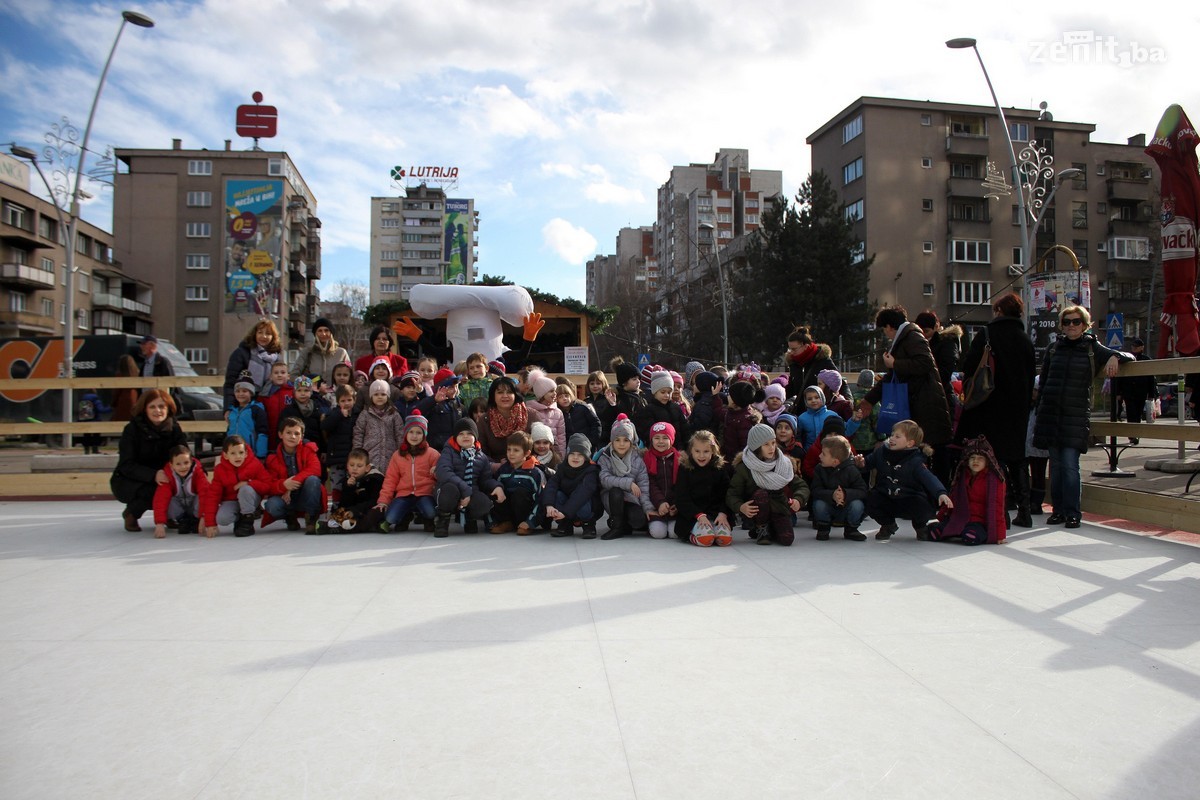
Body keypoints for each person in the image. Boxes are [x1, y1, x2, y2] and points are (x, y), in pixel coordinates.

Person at [1032, 305, 1131, 528]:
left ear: (1085, 325)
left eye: (1076, 321)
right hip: (1051, 414)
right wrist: (1040, 409)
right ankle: (1058, 511)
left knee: (1069, 465)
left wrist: (1115, 356)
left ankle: (1072, 512)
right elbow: (1045, 380)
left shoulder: (1091, 347)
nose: (1071, 326)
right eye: (1067, 322)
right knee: (1055, 466)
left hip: (1075, 416)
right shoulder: (1053, 348)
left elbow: (1128, 355)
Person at [954, 292, 1037, 527]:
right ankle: (1025, 511)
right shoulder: (1025, 339)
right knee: (1018, 458)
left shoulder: (988, 334)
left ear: (999, 311)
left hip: (989, 405)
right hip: (1018, 407)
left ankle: (1002, 513)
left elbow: (969, 365)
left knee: (993, 458)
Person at [858, 306, 953, 484]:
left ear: (889, 326)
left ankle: (937, 497)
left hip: (926, 406)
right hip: (919, 404)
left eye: (884, 329)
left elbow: (925, 363)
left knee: (930, 454)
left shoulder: (912, 337)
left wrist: (896, 363)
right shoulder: (906, 338)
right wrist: (870, 399)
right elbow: (892, 377)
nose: (886, 334)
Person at [860, 419, 952, 541]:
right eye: (892, 435)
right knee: (870, 498)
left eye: (897, 436)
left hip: (909, 499)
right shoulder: (881, 452)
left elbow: (929, 478)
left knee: (922, 504)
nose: (892, 438)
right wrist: (860, 463)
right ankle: (888, 525)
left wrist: (941, 493)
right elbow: (867, 464)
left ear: (910, 443)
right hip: (886, 496)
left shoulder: (916, 461)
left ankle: (920, 526)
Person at [110, 389, 188, 532]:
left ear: (168, 408)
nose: (157, 411)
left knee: (184, 486)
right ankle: (132, 513)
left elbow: (184, 454)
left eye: (161, 407)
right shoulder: (132, 430)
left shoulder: (174, 428)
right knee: (156, 490)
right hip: (132, 479)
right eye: (152, 407)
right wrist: (153, 475)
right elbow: (126, 465)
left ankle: (172, 515)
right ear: (144, 409)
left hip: (167, 475)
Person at [726, 423, 809, 546]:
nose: (771, 448)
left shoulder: (783, 463)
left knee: (787, 539)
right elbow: (732, 494)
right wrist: (741, 507)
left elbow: (801, 486)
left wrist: (798, 499)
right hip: (756, 510)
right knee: (762, 494)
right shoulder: (745, 467)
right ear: (756, 447)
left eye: (773, 443)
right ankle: (761, 528)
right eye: (766, 444)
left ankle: (771, 528)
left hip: (779, 506)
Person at [930, 435, 1007, 545]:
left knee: (971, 536)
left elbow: (998, 506)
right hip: (959, 518)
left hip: (979, 521)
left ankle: (964, 533)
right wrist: (940, 517)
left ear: (987, 461)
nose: (976, 461)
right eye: (972, 458)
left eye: (980, 458)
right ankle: (955, 531)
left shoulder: (995, 480)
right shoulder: (961, 475)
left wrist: (1000, 534)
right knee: (933, 531)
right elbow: (952, 498)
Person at [433, 418, 503, 537]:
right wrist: (465, 490)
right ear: (455, 437)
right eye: (461, 434)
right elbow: (443, 471)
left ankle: (470, 518)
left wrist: (496, 486)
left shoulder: (481, 457)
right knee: (450, 489)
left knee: (484, 503)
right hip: (451, 491)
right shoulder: (448, 451)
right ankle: (443, 521)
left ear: (475, 436)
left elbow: (485, 479)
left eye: (469, 433)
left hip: (471, 492)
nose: (465, 436)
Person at [373, 412, 441, 533]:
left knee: (430, 512)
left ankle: (427, 519)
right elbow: (390, 480)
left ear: (424, 435)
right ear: (406, 434)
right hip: (404, 494)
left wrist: (436, 472)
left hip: (425, 494)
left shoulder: (432, 454)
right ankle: (405, 516)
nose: (414, 436)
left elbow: (441, 477)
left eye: (419, 432)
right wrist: (383, 501)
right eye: (411, 432)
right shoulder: (398, 455)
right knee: (390, 517)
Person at [262, 416, 326, 534]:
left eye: (297, 433)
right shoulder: (272, 458)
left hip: (305, 493)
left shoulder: (308, 450)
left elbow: (315, 469)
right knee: (272, 505)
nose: (292, 436)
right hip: (285, 496)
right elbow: (269, 484)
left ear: (302, 436)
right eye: (288, 433)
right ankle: (289, 516)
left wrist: (293, 483)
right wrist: (284, 485)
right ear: (280, 434)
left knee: (313, 480)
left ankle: (311, 518)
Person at [595, 413, 653, 540]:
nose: (621, 444)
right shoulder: (605, 457)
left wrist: (648, 508)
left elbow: (643, 486)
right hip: (612, 498)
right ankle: (617, 526)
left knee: (639, 521)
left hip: (631, 499)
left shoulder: (637, 460)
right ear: (612, 442)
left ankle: (624, 525)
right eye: (617, 440)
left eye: (626, 440)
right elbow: (604, 479)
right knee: (616, 491)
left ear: (631, 442)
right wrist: (629, 483)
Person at [201, 435, 271, 538]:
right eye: (233, 453)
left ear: (246, 453)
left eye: (241, 452)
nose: (238, 456)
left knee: (245, 490)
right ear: (225, 455)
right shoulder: (220, 470)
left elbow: (268, 485)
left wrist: (249, 483)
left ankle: (247, 522)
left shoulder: (255, 464)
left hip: (250, 499)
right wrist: (210, 523)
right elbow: (213, 495)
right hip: (231, 501)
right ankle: (240, 519)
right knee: (222, 518)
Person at [673, 430, 733, 547]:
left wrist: (723, 512)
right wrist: (699, 515)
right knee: (706, 540)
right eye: (697, 451)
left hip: (716, 514)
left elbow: (727, 493)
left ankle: (714, 529)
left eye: (706, 451)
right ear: (691, 451)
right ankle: (691, 536)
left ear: (713, 451)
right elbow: (681, 497)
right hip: (693, 516)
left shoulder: (719, 468)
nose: (701, 455)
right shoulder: (685, 468)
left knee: (724, 540)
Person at [809, 434, 868, 542]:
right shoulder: (819, 469)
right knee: (819, 504)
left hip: (846, 506)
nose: (820, 456)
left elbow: (862, 490)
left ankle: (851, 529)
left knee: (857, 504)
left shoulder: (852, 470)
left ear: (835, 461)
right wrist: (832, 495)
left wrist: (845, 494)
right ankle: (823, 528)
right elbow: (815, 490)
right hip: (829, 505)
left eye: (824, 454)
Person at [544, 434, 601, 539]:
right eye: (572, 454)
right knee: (558, 494)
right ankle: (565, 525)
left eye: (580, 454)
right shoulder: (562, 468)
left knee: (584, 501)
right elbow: (552, 484)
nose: (575, 457)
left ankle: (588, 525)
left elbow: (582, 493)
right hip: (568, 507)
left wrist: (565, 512)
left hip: (587, 506)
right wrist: (549, 505)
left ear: (586, 457)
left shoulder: (591, 471)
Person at [490, 431, 546, 534]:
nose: (511, 453)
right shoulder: (503, 470)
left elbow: (541, 500)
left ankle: (525, 525)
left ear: (527, 453)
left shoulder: (535, 473)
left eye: (516, 450)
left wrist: (530, 522)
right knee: (496, 489)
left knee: (520, 493)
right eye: (509, 449)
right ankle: (506, 522)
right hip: (509, 511)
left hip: (526, 513)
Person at [222, 320, 283, 413]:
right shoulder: (241, 353)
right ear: (254, 334)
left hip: (269, 405)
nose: (264, 336)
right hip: (244, 405)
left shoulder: (277, 358)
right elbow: (230, 383)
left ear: (273, 337)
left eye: (268, 333)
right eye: (260, 332)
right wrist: (228, 408)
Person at [151, 444, 209, 539]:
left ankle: (195, 520)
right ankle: (182, 520)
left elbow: (205, 493)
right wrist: (159, 523)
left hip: (194, 506)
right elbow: (160, 499)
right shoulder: (167, 475)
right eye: (178, 464)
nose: (183, 467)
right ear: (171, 465)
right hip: (179, 507)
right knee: (167, 500)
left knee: (204, 495)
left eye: (186, 463)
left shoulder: (198, 473)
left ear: (191, 461)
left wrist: (204, 517)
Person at [322, 448, 385, 534]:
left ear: (367, 468)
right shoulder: (347, 479)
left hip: (368, 509)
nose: (355, 469)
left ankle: (340, 528)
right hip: (353, 511)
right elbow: (344, 504)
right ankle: (341, 525)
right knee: (337, 513)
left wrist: (354, 512)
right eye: (351, 465)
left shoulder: (375, 479)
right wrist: (349, 487)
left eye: (359, 466)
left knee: (375, 513)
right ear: (347, 466)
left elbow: (374, 502)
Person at [914, 310, 962, 419]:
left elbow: (944, 374)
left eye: (925, 331)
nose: (923, 335)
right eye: (920, 332)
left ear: (936, 327)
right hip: (922, 398)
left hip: (940, 398)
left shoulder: (947, 343)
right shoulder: (917, 343)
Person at [353, 379, 404, 473]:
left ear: (388, 396)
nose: (379, 397)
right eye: (376, 394)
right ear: (371, 396)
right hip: (370, 455)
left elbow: (399, 433)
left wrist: (401, 452)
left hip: (390, 456)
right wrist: (358, 452)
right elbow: (358, 433)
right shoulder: (365, 414)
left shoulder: (394, 414)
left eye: (383, 394)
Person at [1115, 337, 1158, 443]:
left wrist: (1151, 394)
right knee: (1131, 413)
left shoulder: (1146, 359)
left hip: (1141, 391)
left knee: (1138, 413)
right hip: (1128, 391)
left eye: (1136, 347)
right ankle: (1132, 434)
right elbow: (1120, 376)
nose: (1134, 348)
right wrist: (1118, 392)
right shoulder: (1127, 358)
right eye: (1133, 346)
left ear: (1141, 347)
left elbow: (1151, 378)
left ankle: (1136, 434)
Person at [322, 385, 359, 505]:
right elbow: (325, 426)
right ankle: (336, 510)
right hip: (336, 458)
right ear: (338, 402)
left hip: (353, 459)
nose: (346, 403)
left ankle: (349, 511)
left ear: (354, 400)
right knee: (337, 486)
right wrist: (338, 415)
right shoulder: (333, 414)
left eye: (349, 400)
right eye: (343, 401)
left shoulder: (357, 415)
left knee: (351, 485)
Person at [643, 421, 680, 539]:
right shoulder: (647, 459)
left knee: (675, 533)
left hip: (675, 507)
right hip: (656, 507)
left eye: (665, 438)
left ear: (671, 439)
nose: (660, 441)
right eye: (656, 438)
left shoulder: (679, 460)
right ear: (651, 440)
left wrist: (676, 504)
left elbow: (682, 485)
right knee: (659, 534)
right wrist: (660, 503)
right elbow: (650, 484)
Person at [478, 376, 530, 462]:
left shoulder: (531, 415)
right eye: (500, 392)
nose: (505, 396)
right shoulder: (485, 420)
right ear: (493, 395)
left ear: (515, 394)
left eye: (509, 392)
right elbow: (480, 451)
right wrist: (496, 466)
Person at [784, 326, 837, 404]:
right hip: (801, 412)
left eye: (794, 349)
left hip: (820, 409)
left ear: (806, 346)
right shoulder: (793, 363)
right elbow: (792, 388)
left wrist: (848, 399)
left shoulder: (823, 360)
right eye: (789, 349)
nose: (791, 352)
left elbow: (838, 381)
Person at [636, 370, 688, 448]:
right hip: (659, 450)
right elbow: (647, 433)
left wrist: (684, 447)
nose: (666, 395)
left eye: (669, 392)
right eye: (663, 392)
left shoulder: (676, 408)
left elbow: (685, 430)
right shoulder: (648, 410)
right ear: (655, 392)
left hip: (677, 450)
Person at [279, 375, 328, 457]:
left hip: (315, 450)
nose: (303, 393)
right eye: (299, 390)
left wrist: (324, 450)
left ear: (311, 392)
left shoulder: (317, 409)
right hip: (294, 451)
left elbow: (322, 431)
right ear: (294, 392)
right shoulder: (288, 411)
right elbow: (281, 430)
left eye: (306, 390)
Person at [292, 317, 350, 386]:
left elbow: (350, 376)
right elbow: (293, 376)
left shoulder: (341, 353)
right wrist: (309, 385)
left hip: (336, 395)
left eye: (326, 330)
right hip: (312, 395)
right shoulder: (307, 352)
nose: (323, 334)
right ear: (315, 334)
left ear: (331, 333)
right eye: (320, 331)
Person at [224, 371, 269, 458]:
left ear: (251, 393)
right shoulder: (232, 411)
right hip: (233, 453)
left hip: (251, 453)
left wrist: (261, 455)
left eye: (244, 391)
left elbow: (262, 433)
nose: (240, 394)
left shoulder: (256, 410)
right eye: (238, 391)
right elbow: (229, 431)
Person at [525, 368, 567, 460]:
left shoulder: (558, 412)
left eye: (555, 391)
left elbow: (561, 437)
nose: (555, 394)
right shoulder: (530, 411)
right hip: (534, 455)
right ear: (541, 393)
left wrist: (561, 456)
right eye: (551, 391)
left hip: (554, 455)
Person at [722, 381, 763, 464]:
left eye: (730, 395)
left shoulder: (745, 421)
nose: (727, 396)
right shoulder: (732, 412)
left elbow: (745, 446)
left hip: (737, 462)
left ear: (735, 401)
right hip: (729, 458)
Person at [556, 383, 603, 453]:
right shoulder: (558, 413)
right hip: (570, 448)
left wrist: (592, 441)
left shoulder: (582, 407)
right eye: (560, 397)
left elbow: (596, 423)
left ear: (571, 395)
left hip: (587, 445)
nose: (564, 399)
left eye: (566, 396)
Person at [260, 361, 295, 453]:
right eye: (276, 373)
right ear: (271, 377)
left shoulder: (293, 392)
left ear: (288, 376)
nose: (279, 375)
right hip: (271, 430)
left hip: (289, 432)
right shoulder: (265, 394)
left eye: (282, 372)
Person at [795, 384, 841, 451]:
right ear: (806, 401)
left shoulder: (832, 415)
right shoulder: (802, 418)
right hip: (809, 452)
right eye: (809, 399)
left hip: (830, 452)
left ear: (822, 398)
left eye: (816, 397)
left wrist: (854, 421)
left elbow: (844, 431)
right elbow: (798, 436)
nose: (813, 401)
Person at [688, 371, 726, 438]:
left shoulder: (704, 403)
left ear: (702, 386)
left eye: (695, 384)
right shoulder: (713, 399)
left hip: (704, 438)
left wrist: (688, 426)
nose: (693, 386)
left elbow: (700, 424)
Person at [110, 354, 140, 423]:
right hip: (135, 400)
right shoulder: (137, 374)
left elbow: (116, 392)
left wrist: (113, 403)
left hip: (123, 402)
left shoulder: (120, 375)